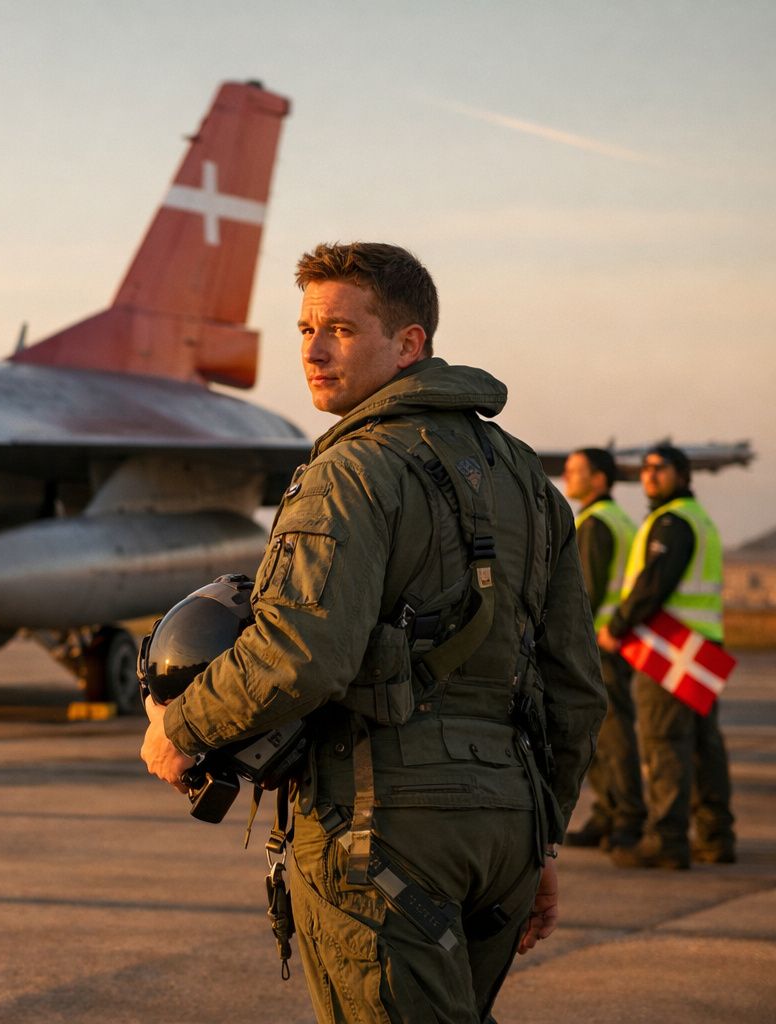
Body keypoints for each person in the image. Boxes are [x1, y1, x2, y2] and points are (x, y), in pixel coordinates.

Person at [140, 242, 605, 1023]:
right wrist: (540, 837)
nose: (313, 351)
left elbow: (301, 654)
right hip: (504, 831)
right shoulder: (529, 479)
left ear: (409, 343)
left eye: (342, 330)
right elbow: (576, 689)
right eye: (304, 328)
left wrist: (181, 727)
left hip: (381, 825)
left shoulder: (353, 470)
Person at [598, 443, 736, 868]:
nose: (649, 475)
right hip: (703, 645)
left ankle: (668, 841)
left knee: (664, 742)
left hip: (671, 645)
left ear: (683, 474)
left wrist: (617, 627)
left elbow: (651, 585)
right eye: (645, 468)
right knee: (702, 744)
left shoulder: (671, 522)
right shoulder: (701, 520)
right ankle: (716, 837)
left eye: (660, 468)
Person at [560, 448, 645, 851]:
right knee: (605, 735)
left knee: (611, 737)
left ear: (599, 479)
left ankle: (625, 816)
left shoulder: (595, 524)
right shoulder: (618, 519)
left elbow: (583, 593)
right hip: (608, 642)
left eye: (576, 471)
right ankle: (608, 813)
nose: (567, 477)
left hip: (596, 645)